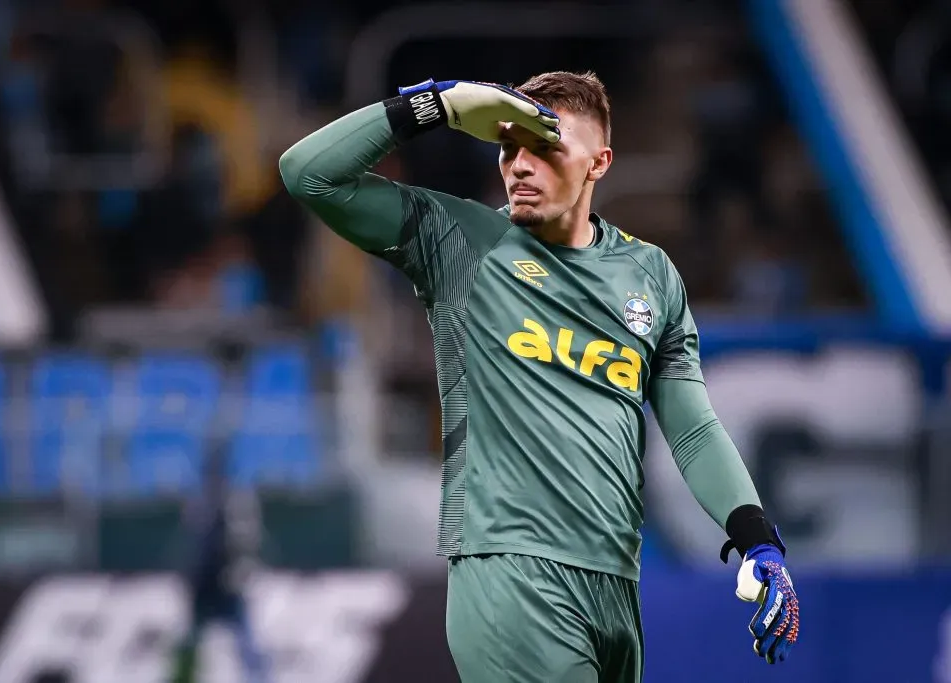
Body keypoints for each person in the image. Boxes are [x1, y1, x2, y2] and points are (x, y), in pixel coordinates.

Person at [279, 73, 799, 682]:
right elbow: (306, 173)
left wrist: (756, 536)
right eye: (508, 148)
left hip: (614, 588)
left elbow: (692, 426)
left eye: (544, 147)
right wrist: (434, 105)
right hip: (511, 574)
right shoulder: (462, 240)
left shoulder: (650, 274)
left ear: (598, 163)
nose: (520, 166)